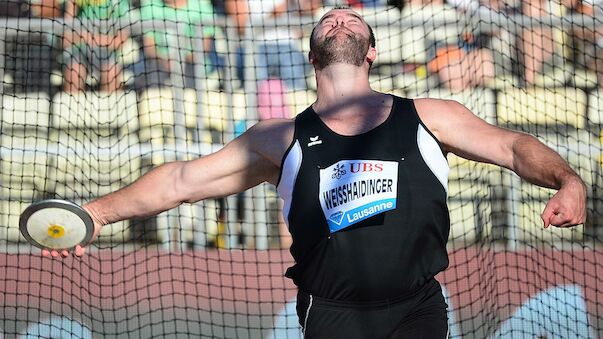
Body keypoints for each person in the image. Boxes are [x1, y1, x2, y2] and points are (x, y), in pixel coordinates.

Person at [43, 6, 587, 338]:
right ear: (312, 53)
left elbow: (514, 147)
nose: (340, 16)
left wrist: (568, 179)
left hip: (417, 309)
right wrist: (92, 214)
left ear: (371, 50)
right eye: (329, 18)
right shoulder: (278, 138)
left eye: (352, 18)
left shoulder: (430, 115)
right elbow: (181, 181)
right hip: (331, 316)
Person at [63, 0, 131, 92]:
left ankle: (107, 106)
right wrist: (71, 6)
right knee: (74, 71)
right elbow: (66, 40)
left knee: (112, 72)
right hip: (80, 53)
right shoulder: (76, 3)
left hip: (107, 56)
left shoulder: (119, 2)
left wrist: (88, 37)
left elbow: (119, 41)